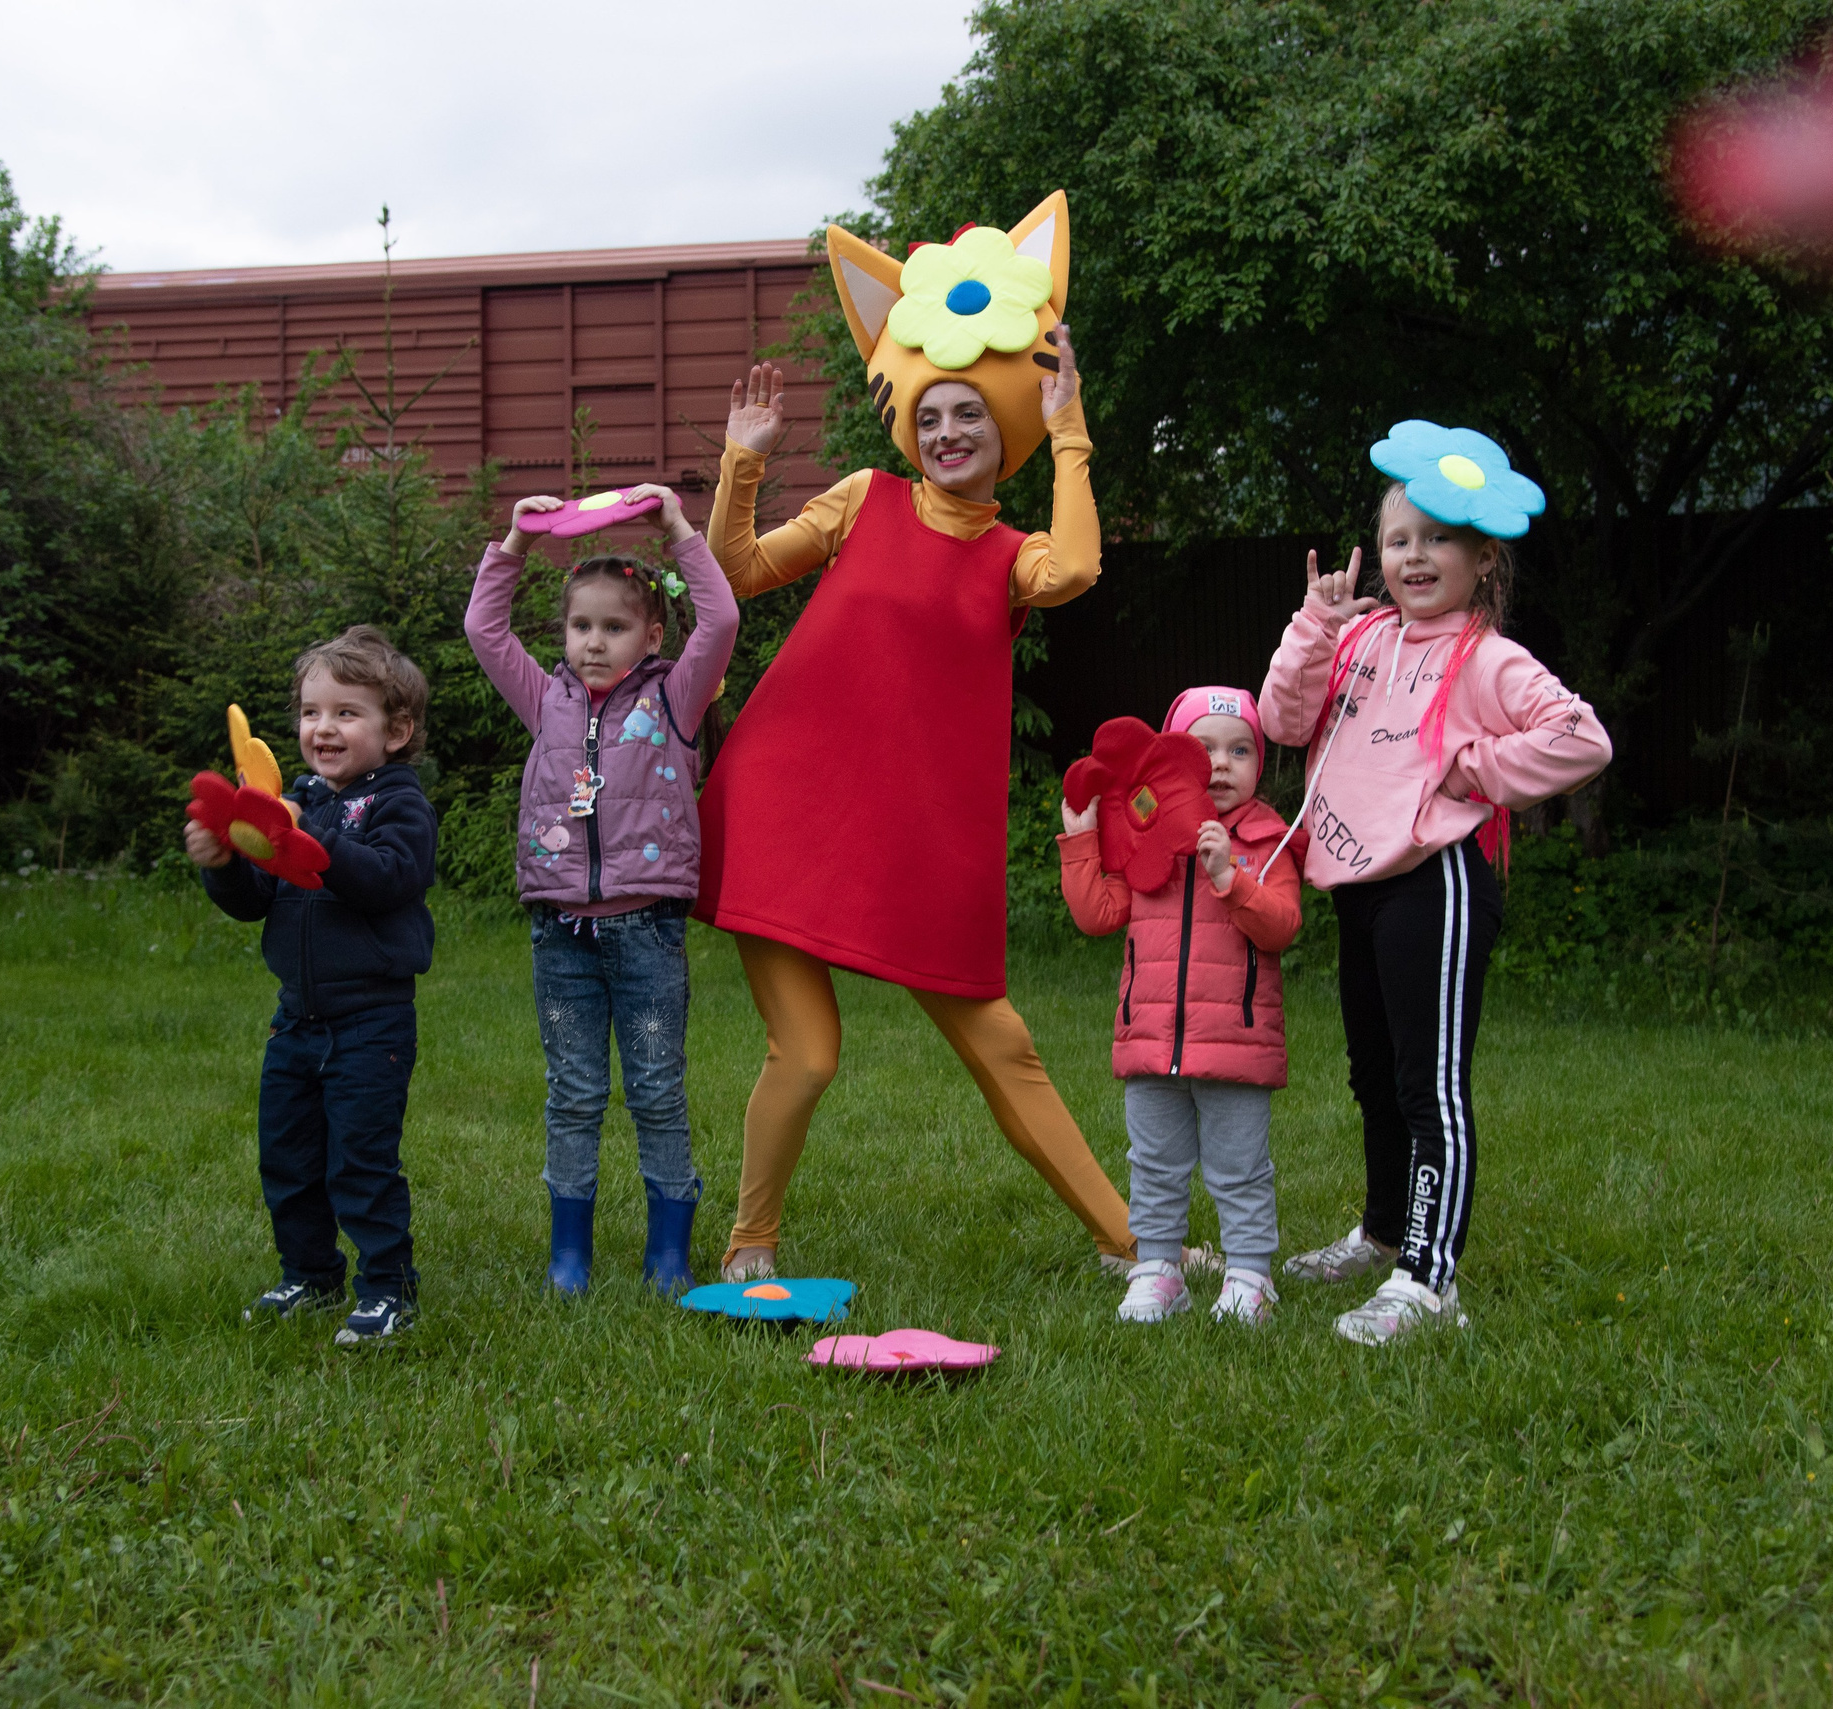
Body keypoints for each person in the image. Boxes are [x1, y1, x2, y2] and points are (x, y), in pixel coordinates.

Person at [699, 193, 1138, 1280]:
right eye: (931, 415)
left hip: (917, 841)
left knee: (1003, 1042)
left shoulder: (1017, 555)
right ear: (906, 421)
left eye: (971, 416)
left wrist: (1072, 423)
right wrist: (740, 463)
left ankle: (1133, 1242)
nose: (947, 434)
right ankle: (751, 1239)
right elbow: (736, 573)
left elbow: (1078, 569)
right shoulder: (861, 500)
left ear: (1009, 430)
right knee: (805, 1056)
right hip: (784, 805)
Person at [1258, 422, 1613, 1344]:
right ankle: (1382, 1232)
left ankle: (1428, 1275)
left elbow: (1582, 738)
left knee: (1429, 1086)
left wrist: (1473, 765)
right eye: (1399, 539)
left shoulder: (1487, 656)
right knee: (1373, 1075)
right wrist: (1312, 626)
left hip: (1437, 887)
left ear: (1481, 559)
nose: (1416, 556)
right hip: (1359, 887)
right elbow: (1280, 718)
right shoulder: (1359, 634)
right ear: (1378, 555)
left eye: (1438, 537)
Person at [463, 485, 736, 1296]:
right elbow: (484, 628)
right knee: (574, 1093)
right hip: (560, 935)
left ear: (650, 635)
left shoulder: (674, 700)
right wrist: (512, 540)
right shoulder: (543, 697)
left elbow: (718, 622)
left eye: (613, 627)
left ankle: (667, 1254)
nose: (592, 642)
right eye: (581, 626)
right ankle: (569, 1258)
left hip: (645, 929)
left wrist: (680, 530)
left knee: (656, 1089)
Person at [187, 626, 439, 1345]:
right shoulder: (295, 799)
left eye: (345, 712)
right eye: (310, 711)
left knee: (360, 1160)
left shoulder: (399, 804)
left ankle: (389, 1288)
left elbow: (390, 876)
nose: (322, 728)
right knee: (289, 1156)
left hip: (371, 1022)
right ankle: (310, 1273)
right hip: (295, 1020)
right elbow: (255, 898)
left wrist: (312, 841)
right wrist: (226, 861)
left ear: (396, 731)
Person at [1060, 687, 1303, 1325]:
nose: (1221, 764)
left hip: (1235, 1042)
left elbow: (1280, 926)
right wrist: (1081, 841)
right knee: (1155, 1163)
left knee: (1239, 1167)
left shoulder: (1267, 839)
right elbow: (1098, 914)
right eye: (1203, 749)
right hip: (1150, 1040)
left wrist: (1231, 878)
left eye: (1240, 750)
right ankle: (1158, 1268)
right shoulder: (1147, 841)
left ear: (1261, 764)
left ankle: (1251, 1274)